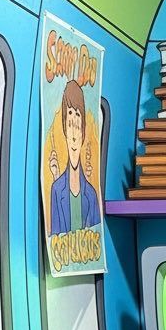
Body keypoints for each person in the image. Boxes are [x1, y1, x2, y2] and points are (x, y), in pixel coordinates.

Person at [48, 78, 100, 235]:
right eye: (70, 125)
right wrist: (56, 175)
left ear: (84, 132)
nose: (74, 135)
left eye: (77, 127)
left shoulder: (91, 194)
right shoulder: (56, 189)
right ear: (64, 129)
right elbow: (56, 236)